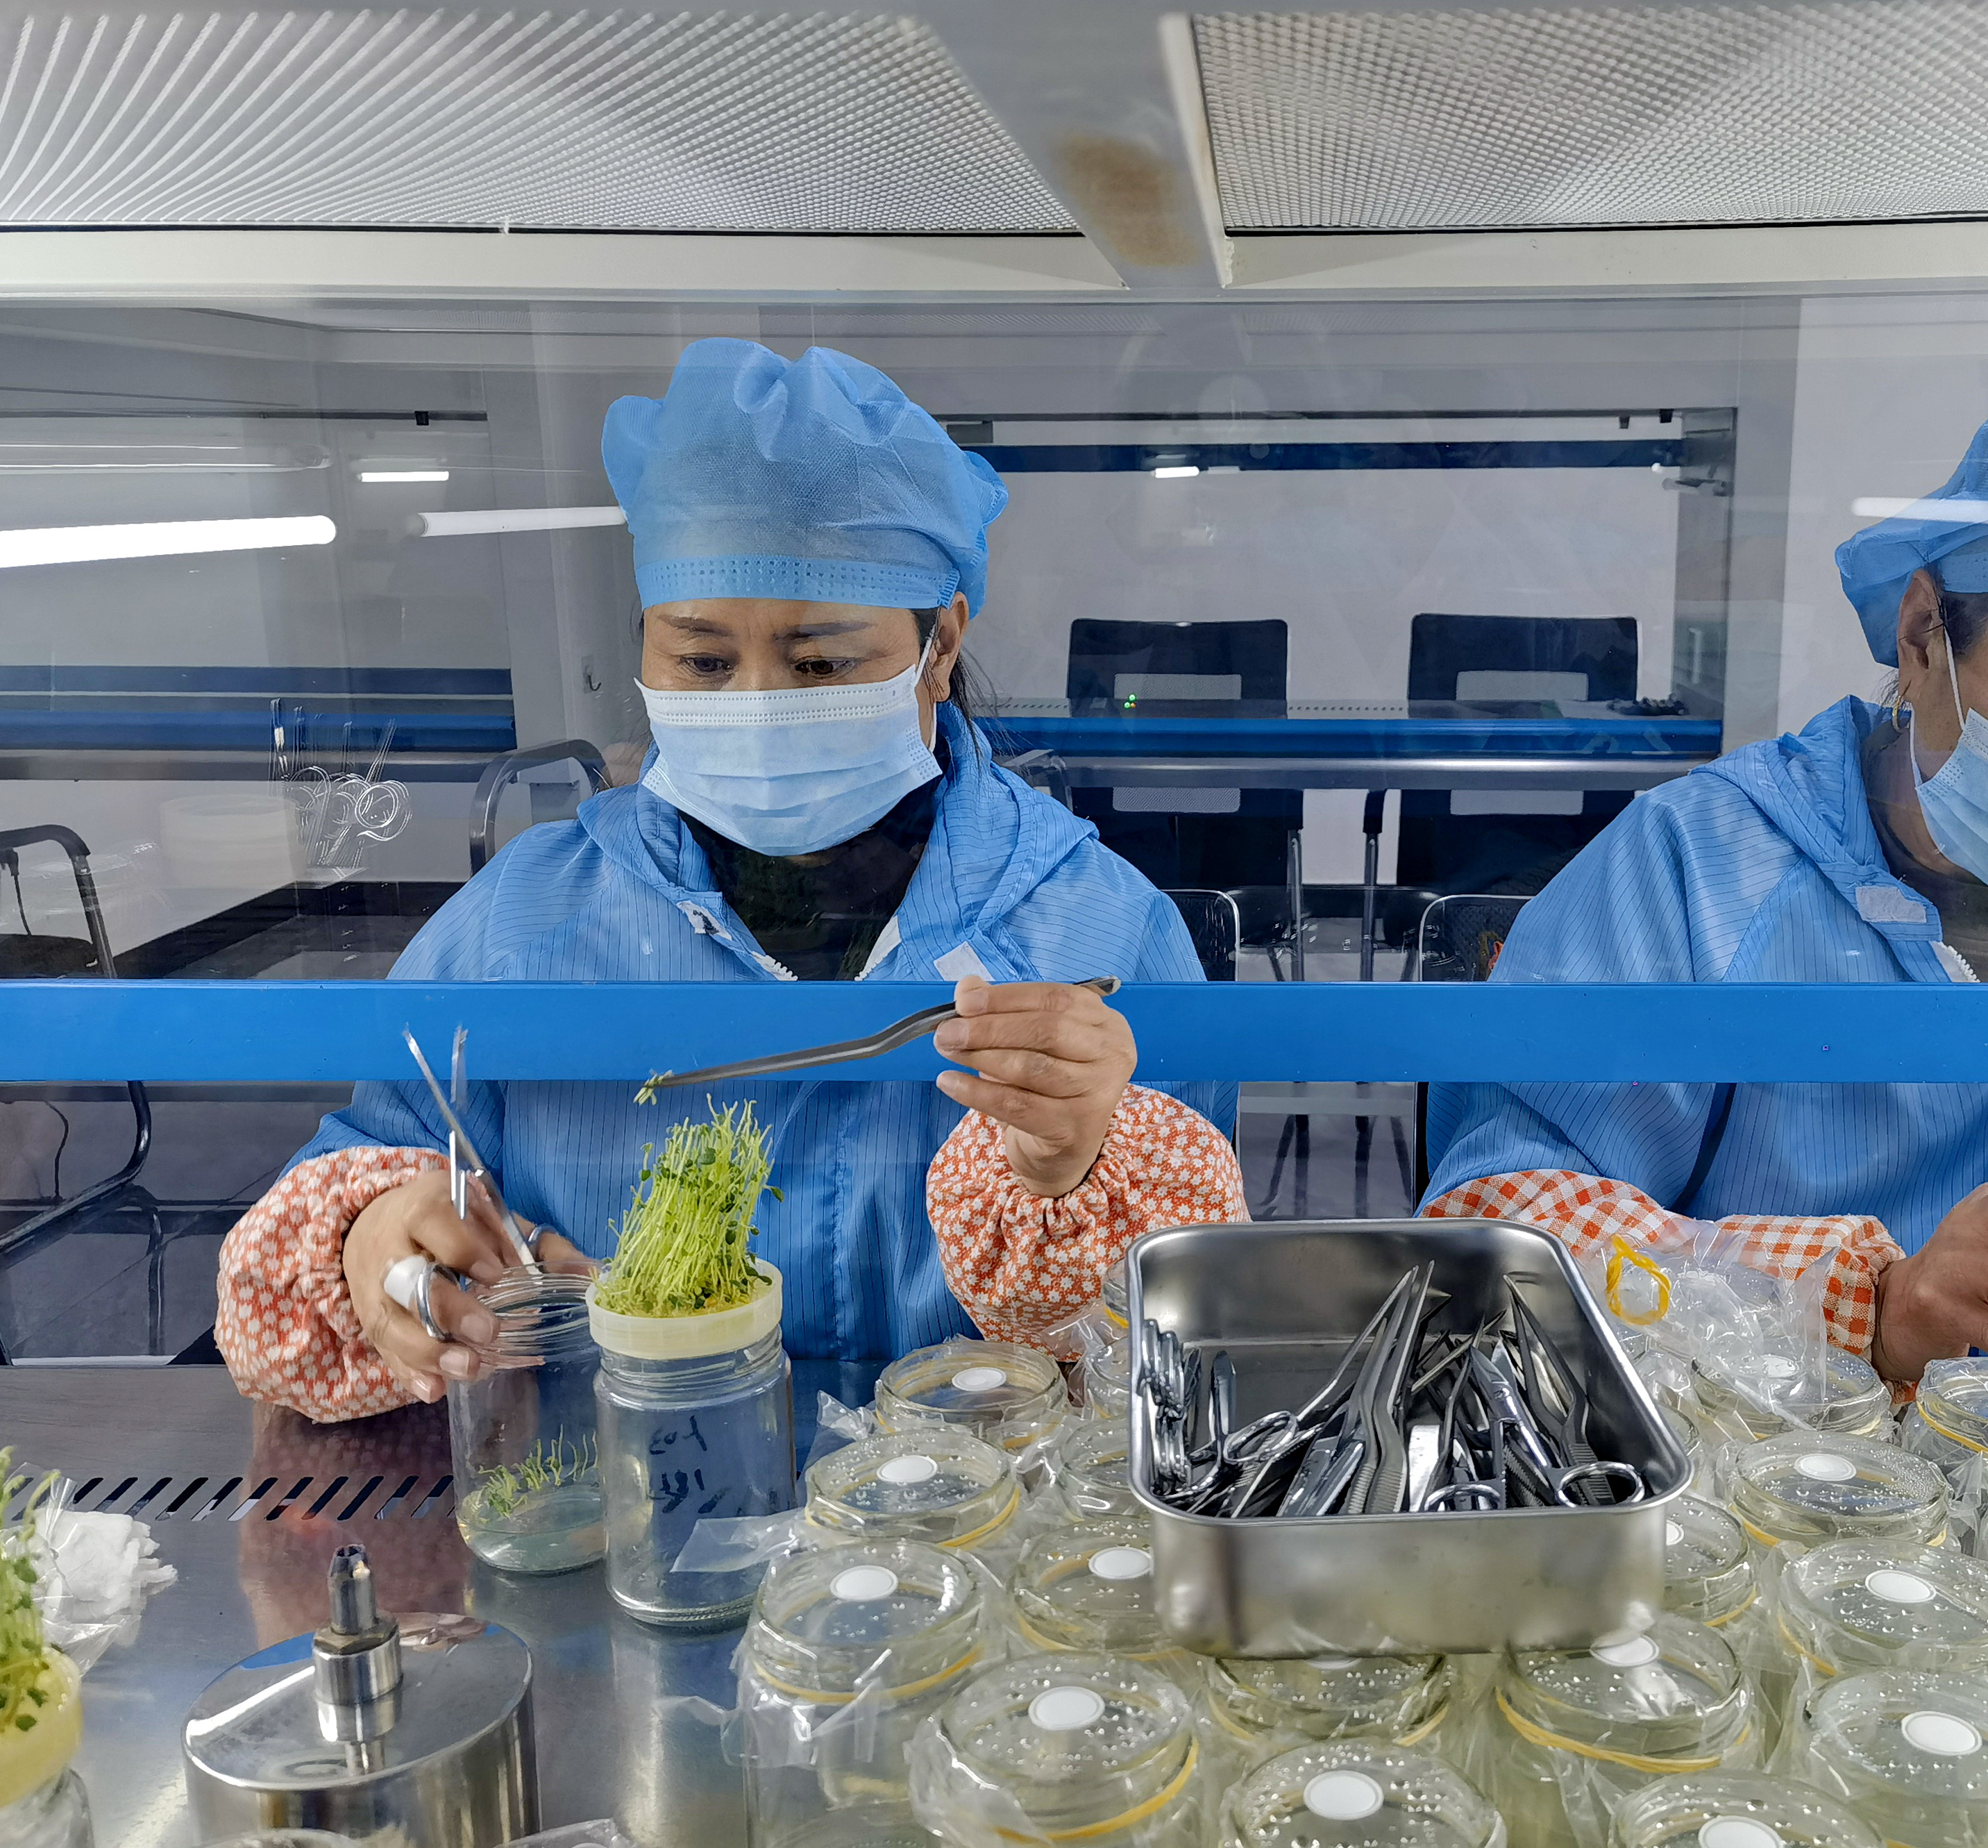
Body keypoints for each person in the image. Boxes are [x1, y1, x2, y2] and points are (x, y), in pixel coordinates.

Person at [217, 340, 1246, 1423]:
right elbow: (378, 1160)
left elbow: (1186, 1346)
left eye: (820, 661)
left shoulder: (1101, 932)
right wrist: (375, 1231)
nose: (757, 704)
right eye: (704, 661)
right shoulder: (521, 925)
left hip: (974, 1507)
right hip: (619, 1490)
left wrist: (1076, 1170)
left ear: (938, 645)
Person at [1422, 357, 1988, 1379]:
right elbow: (1496, 1223)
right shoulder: (1699, 873)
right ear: (1923, 633)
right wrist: (1866, 1304)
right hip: (1771, 1464)